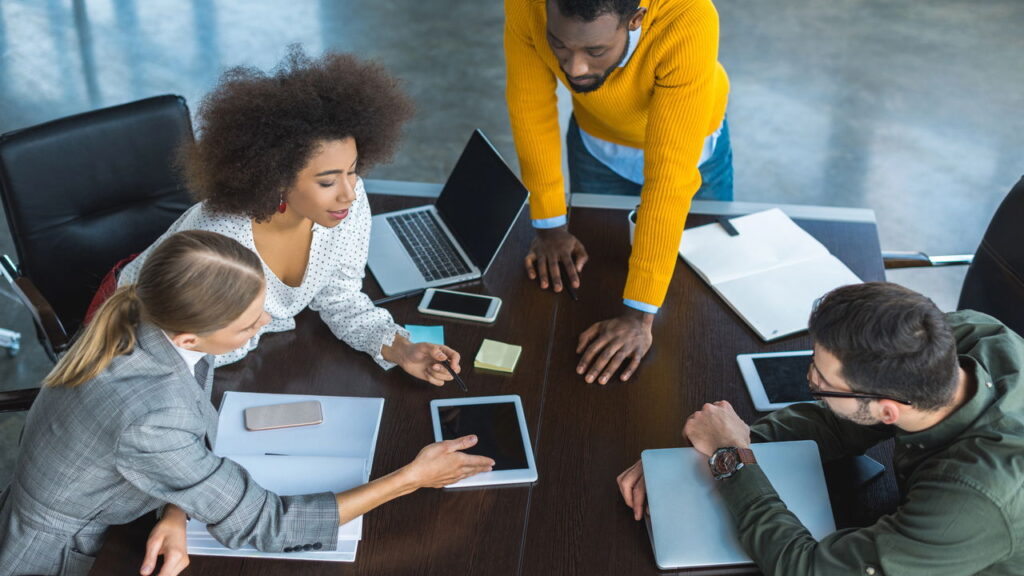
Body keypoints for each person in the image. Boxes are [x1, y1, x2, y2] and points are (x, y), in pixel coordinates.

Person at [0, 230, 494, 576]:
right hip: (55, 555)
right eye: (246, 325)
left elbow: (184, 418)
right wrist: (412, 478)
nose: (262, 326)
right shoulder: (151, 416)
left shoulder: (152, 316)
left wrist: (177, 508)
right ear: (191, 338)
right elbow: (267, 524)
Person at [617, 282, 1024, 574]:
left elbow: (807, 567)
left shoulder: (969, 503)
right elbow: (839, 420)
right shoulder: (965, 336)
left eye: (822, 383)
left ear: (887, 412)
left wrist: (732, 460)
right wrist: (728, 445)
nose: (811, 381)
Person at [117, 47, 455, 385]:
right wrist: (254, 334)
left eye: (352, 172)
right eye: (327, 181)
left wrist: (400, 348)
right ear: (276, 176)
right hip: (148, 347)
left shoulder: (346, 204)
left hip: (256, 355)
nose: (349, 192)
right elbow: (170, 347)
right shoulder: (218, 239)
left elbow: (340, 296)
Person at [505, 0, 731, 385]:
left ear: (636, 19)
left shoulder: (689, 17)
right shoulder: (527, 5)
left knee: (700, 287)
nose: (574, 69)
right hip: (598, 144)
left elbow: (670, 179)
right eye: (559, 44)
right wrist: (549, 224)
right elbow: (531, 108)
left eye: (595, 51)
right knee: (596, 271)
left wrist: (638, 316)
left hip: (692, 148)